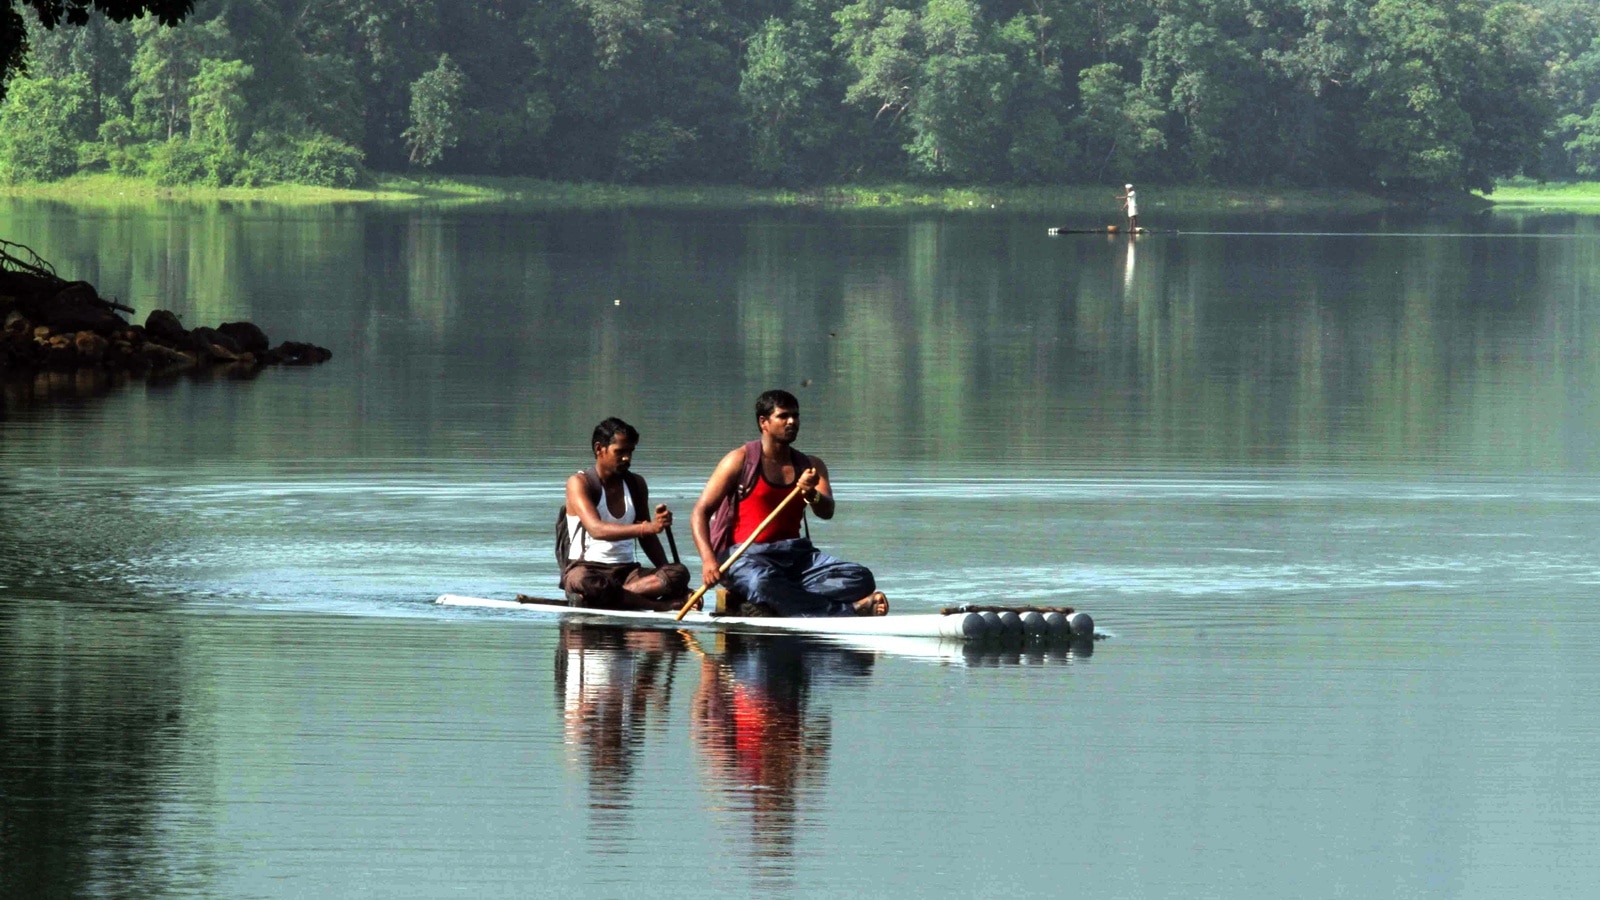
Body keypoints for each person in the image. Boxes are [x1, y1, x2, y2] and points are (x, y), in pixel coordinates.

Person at [689, 390, 888, 617]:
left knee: (860, 578)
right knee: (763, 583)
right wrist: (708, 560)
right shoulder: (739, 460)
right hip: (745, 558)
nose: (792, 421)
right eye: (783, 416)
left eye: (795, 416)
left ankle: (775, 603)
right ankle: (849, 610)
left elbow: (827, 511)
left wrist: (810, 493)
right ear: (763, 422)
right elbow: (700, 512)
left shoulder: (811, 466)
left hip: (796, 556)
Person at [561, 417, 690, 611]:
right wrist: (647, 527)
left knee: (679, 573)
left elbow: (648, 539)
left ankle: (609, 597)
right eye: (620, 452)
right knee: (587, 582)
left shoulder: (636, 484)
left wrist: (673, 581)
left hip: (628, 573)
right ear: (599, 449)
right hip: (587, 570)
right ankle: (657, 605)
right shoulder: (580, 483)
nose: (627, 458)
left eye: (630, 452)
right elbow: (596, 529)